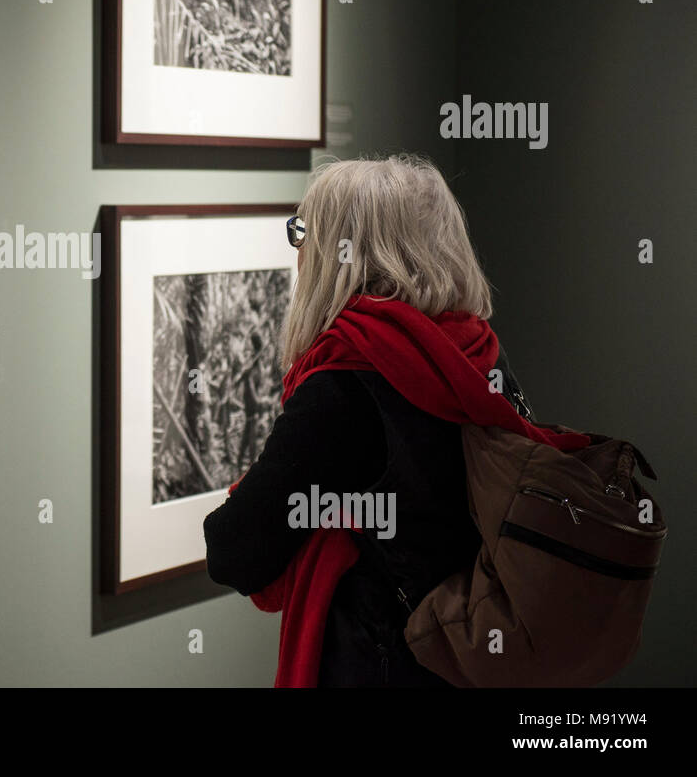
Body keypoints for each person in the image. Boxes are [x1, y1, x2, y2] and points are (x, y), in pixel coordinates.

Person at [203, 153, 537, 687]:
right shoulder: (478, 354)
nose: (300, 250)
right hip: (474, 658)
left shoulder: (345, 383)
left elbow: (234, 551)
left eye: (304, 233)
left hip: (383, 663)